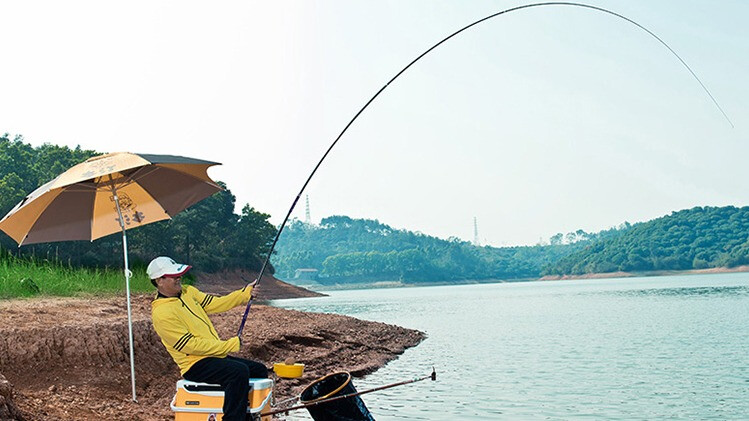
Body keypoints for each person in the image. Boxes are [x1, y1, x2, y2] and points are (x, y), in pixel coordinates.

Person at [148, 256, 268, 421]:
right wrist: (227, 346)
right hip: (194, 365)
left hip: (212, 357)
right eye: (174, 276)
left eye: (179, 274)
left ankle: (250, 416)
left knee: (259, 370)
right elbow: (190, 346)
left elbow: (216, 303)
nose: (179, 278)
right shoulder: (162, 314)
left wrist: (244, 294)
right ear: (159, 281)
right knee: (238, 372)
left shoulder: (189, 292)